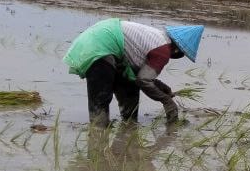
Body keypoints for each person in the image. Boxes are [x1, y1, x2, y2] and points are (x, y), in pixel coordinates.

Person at [63, 19, 204, 126]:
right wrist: (166, 100)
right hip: (100, 46)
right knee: (101, 99)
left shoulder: (159, 39)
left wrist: (160, 86)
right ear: (178, 50)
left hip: (102, 38)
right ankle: (98, 136)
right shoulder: (163, 50)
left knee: (130, 89)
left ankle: (128, 126)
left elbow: (140, 77)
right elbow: (143, 80)